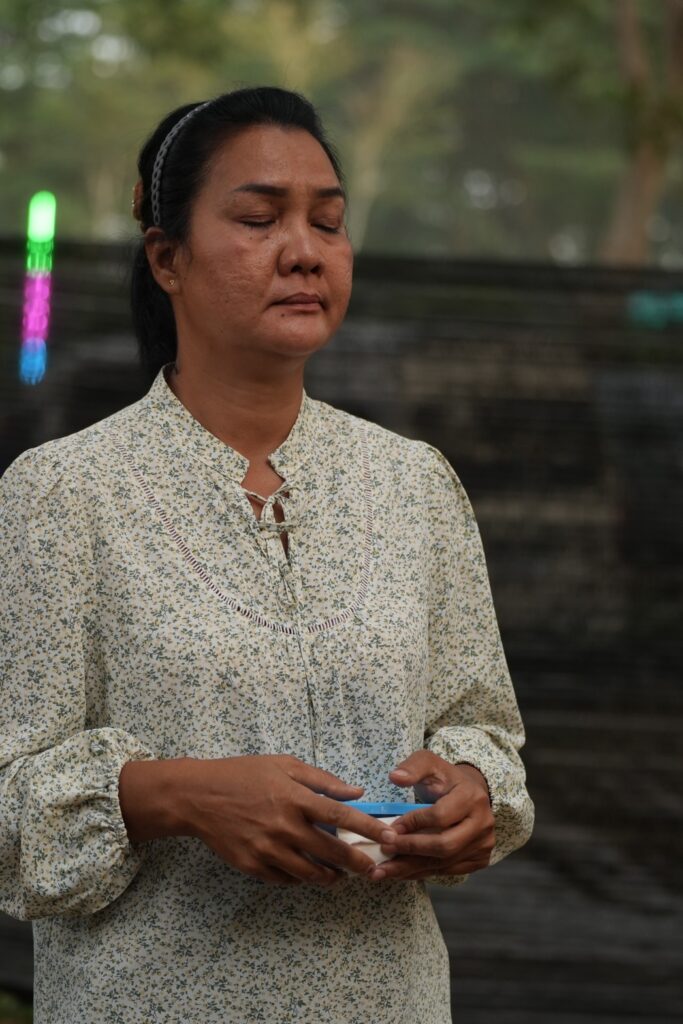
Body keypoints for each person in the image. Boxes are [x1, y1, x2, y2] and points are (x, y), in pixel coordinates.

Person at [0, 86, 534, 1024]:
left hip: (389, 998)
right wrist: (173, 796)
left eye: (327, 222)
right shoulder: (63, 493)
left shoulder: (412, 483)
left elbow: (481, 727)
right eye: (258, 219)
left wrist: (472, 792)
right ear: (166, 258)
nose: (304, 250)